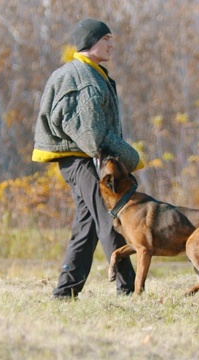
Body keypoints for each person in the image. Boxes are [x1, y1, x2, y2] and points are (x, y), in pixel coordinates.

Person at [32, 18, 143, 298]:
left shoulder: (86, 73)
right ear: (89, 42)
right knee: (110, 218)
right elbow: (92, 135)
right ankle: (128, 289)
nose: (111, 44)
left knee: (87, 226)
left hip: (78, 160)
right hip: (83, 160)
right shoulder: (83, 78)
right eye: (105, 38)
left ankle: (65, 292)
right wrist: (130, 156)